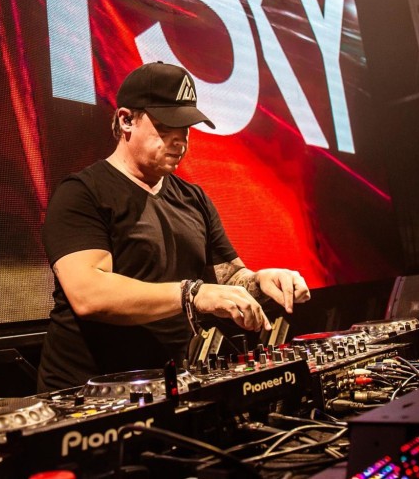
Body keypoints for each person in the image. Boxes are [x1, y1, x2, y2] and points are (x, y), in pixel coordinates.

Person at [37, 62, 310, 391]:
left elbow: (227, 278)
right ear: (126, 120)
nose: (180, 140)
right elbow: (89, 294)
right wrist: (190, 294)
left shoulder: (194, 199)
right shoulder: (82, 193)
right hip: (90, 392)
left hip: (171, 384)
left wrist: (260, 281)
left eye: (186, 128)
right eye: (167, 127)